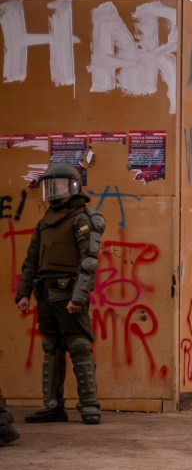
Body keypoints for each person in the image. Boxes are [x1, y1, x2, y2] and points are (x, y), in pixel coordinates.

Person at [15, 163, 105, 425]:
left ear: (74, 187)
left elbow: (89, 261)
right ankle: (53, 405)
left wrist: (78, 297)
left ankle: (89, 405)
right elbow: (31, 262)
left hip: (69, 293)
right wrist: (24, 294)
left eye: (60, 186)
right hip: (46, 294)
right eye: (50, 186)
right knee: (51, 348)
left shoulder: (82, 219)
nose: (54, 191)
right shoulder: (44, 222)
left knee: (78, 345)